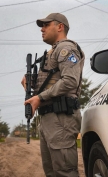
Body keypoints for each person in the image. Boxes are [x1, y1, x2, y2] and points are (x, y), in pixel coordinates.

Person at [21, 13, 85, 177]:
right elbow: (51, 83)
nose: (42, 29)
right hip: (49, 117)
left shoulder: (66, 49)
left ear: (60, 27)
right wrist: (31, 86)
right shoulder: (52, 52)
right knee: (52, 172)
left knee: (65, 172)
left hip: (61, 118)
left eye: (46, 25)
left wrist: (40, 98)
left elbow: (70, 81)